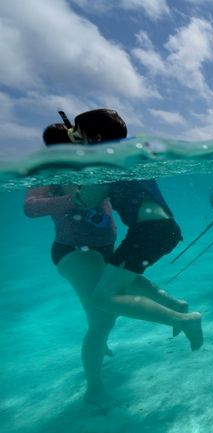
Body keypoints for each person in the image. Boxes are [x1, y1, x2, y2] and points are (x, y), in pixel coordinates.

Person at [67, 109, 203, 353]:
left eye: (79, 132)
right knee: (123, 282)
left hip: (149, 231)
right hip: (165, 228)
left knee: (102, 297)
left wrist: (73, 182)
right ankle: (176, 306)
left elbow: (87, 200)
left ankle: (184, 319)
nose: (76, 137)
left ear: (95, 137)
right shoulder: (130, 153)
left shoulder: (104, 161)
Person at [24, 123, 118, 409]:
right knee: (104, 318)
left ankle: (99, 343)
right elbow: (30, 207)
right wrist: (73, 199)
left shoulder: (89, 164)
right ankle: (94, 390)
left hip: (103, 249)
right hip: (72, 252)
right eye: (77, 136)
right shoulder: (49, 170)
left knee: (102, 313)